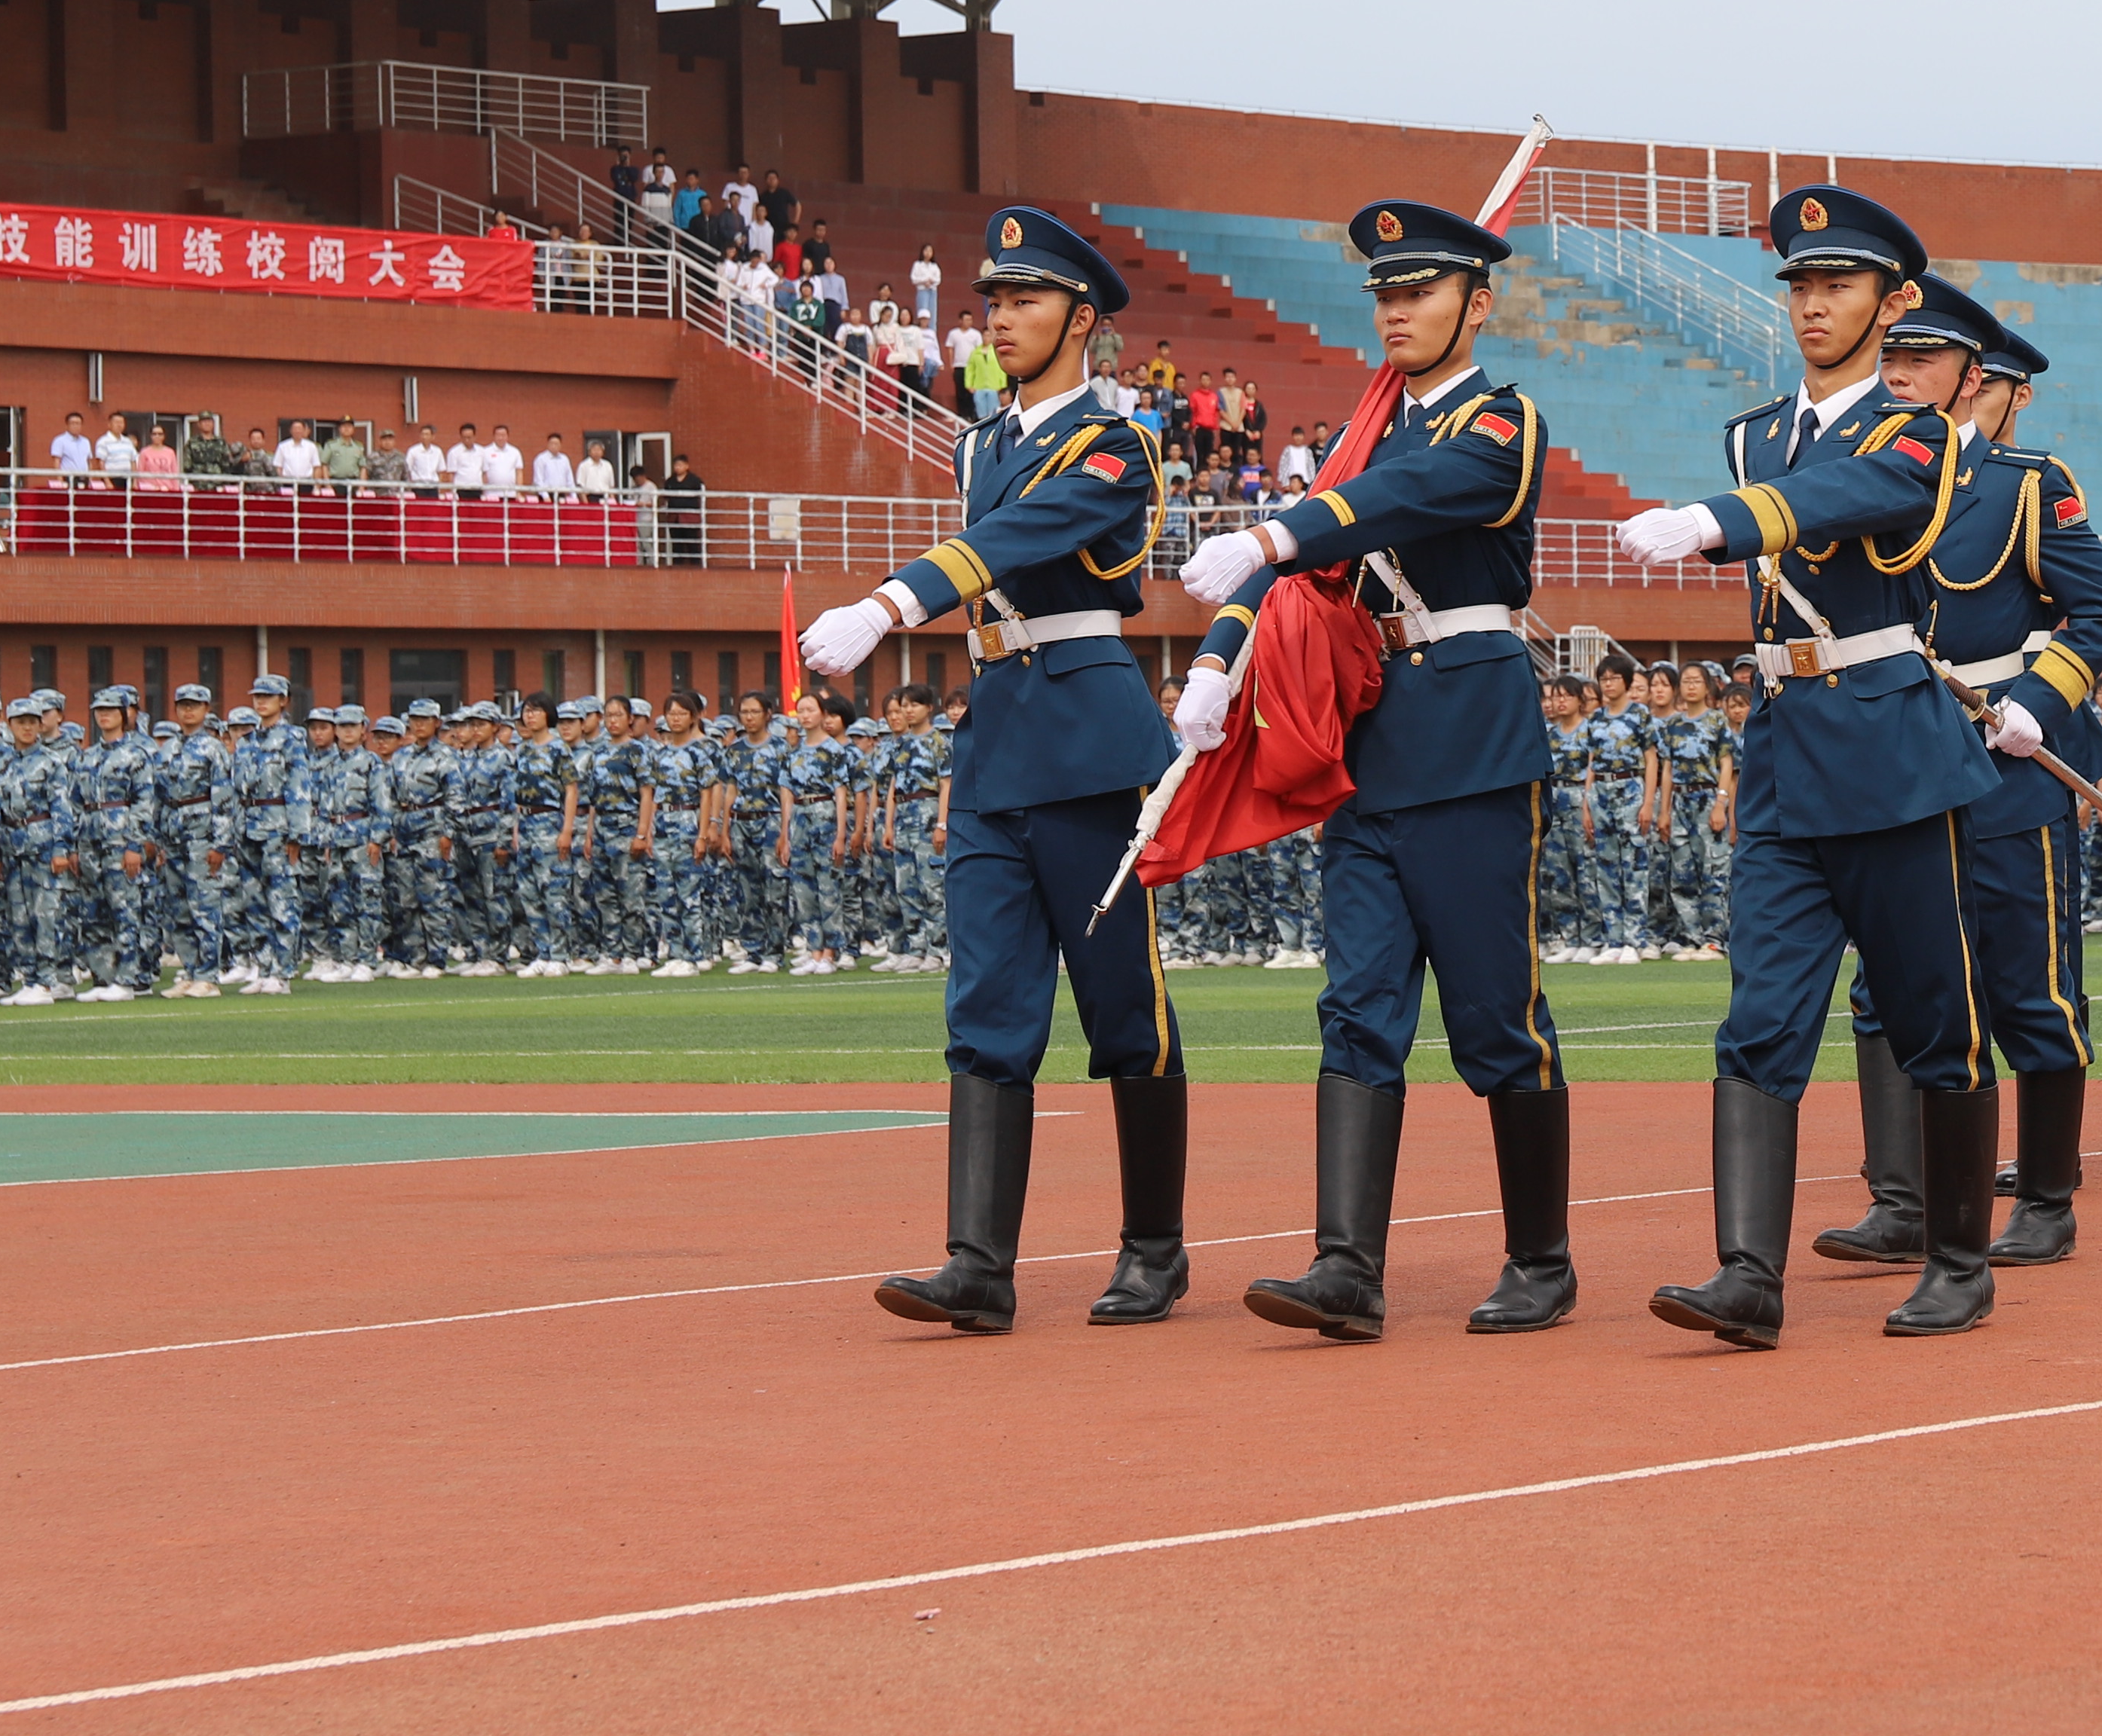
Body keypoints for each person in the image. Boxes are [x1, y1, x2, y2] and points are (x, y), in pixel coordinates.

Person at [1172, 197, 1576, 1338]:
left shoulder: (1500, 424)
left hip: (1467, 741)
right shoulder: (1365, 438)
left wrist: (1270, 533)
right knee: (1355, 1009)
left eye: (1422, 291)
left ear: (1477, 303)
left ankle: (1541, 1260)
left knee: (1496, 1019)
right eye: (1386, 295)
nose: (1398, 310)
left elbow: (1389, 507)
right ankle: (1346, 1266)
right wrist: (1216, 661)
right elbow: (1306, 550)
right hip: (1362, 738)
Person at [1614, 187, 2009, 1344]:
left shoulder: (1916, 430)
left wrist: (1723, 520)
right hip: (1785, 749)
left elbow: (1858, 496)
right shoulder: (1754, 434)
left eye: (1839, 284)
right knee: (1761, 1016)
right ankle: (1748, 1273)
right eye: (1799, 283)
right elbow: (1793, 488)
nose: (1813, 304)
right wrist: (1734, 506)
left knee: (1936, 1014)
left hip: (1887, 746)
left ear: (1895, 305)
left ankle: (1957, 1256)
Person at [806, 203, 1198, 1337]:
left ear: (1083, 317)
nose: (1002, 319)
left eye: (1025, 300)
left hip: (1085, 737)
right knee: (983, 1007)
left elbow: (1023, 541)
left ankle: (1155, 1249)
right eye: (992, 301)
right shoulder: (982, 441)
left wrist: (890, 603)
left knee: (1123, 1006)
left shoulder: (1118, 443)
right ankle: (979, 1263)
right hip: (996, 739)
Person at [1815, 289, 2102, 1264]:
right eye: (1890, 357)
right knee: (1888, 988)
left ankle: (2046, 1198)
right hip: (1899, 761)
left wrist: (2042, 696)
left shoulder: (2026, 485)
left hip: (2005, 762)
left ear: (1970, 378)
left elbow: (2101, 612)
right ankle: (1902, 1201)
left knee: (2028, 985)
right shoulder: (1861, 481)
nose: (1899, 374)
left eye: (1921, 358)